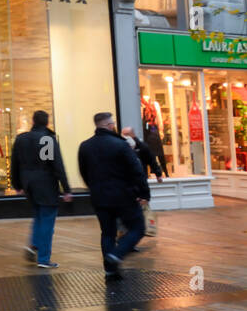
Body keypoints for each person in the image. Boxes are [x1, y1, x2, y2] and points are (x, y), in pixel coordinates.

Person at [78, 112, 150, 279]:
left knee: (107, 233)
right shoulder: (120, 144)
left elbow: (84, 172)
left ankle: (110, 270)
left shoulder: (85, 146)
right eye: (113, 123)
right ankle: (116, 255)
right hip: (123, 195)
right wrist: (143, 193)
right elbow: (137, 170)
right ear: (109, 125)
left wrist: (94, 187)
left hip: (99, 196)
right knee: (137, 228)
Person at [10, 110, 72, 268]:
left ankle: (34, 244)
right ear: (47, 122)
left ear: (33, 121)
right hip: (45, 184)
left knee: (38, 214)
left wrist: (16, 184)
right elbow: (56, 165)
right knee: (47, 219)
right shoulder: (47, 139)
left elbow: (15, 164)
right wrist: (66, 189)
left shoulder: (21, 139)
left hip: (28, 184)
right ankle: (43, 258)